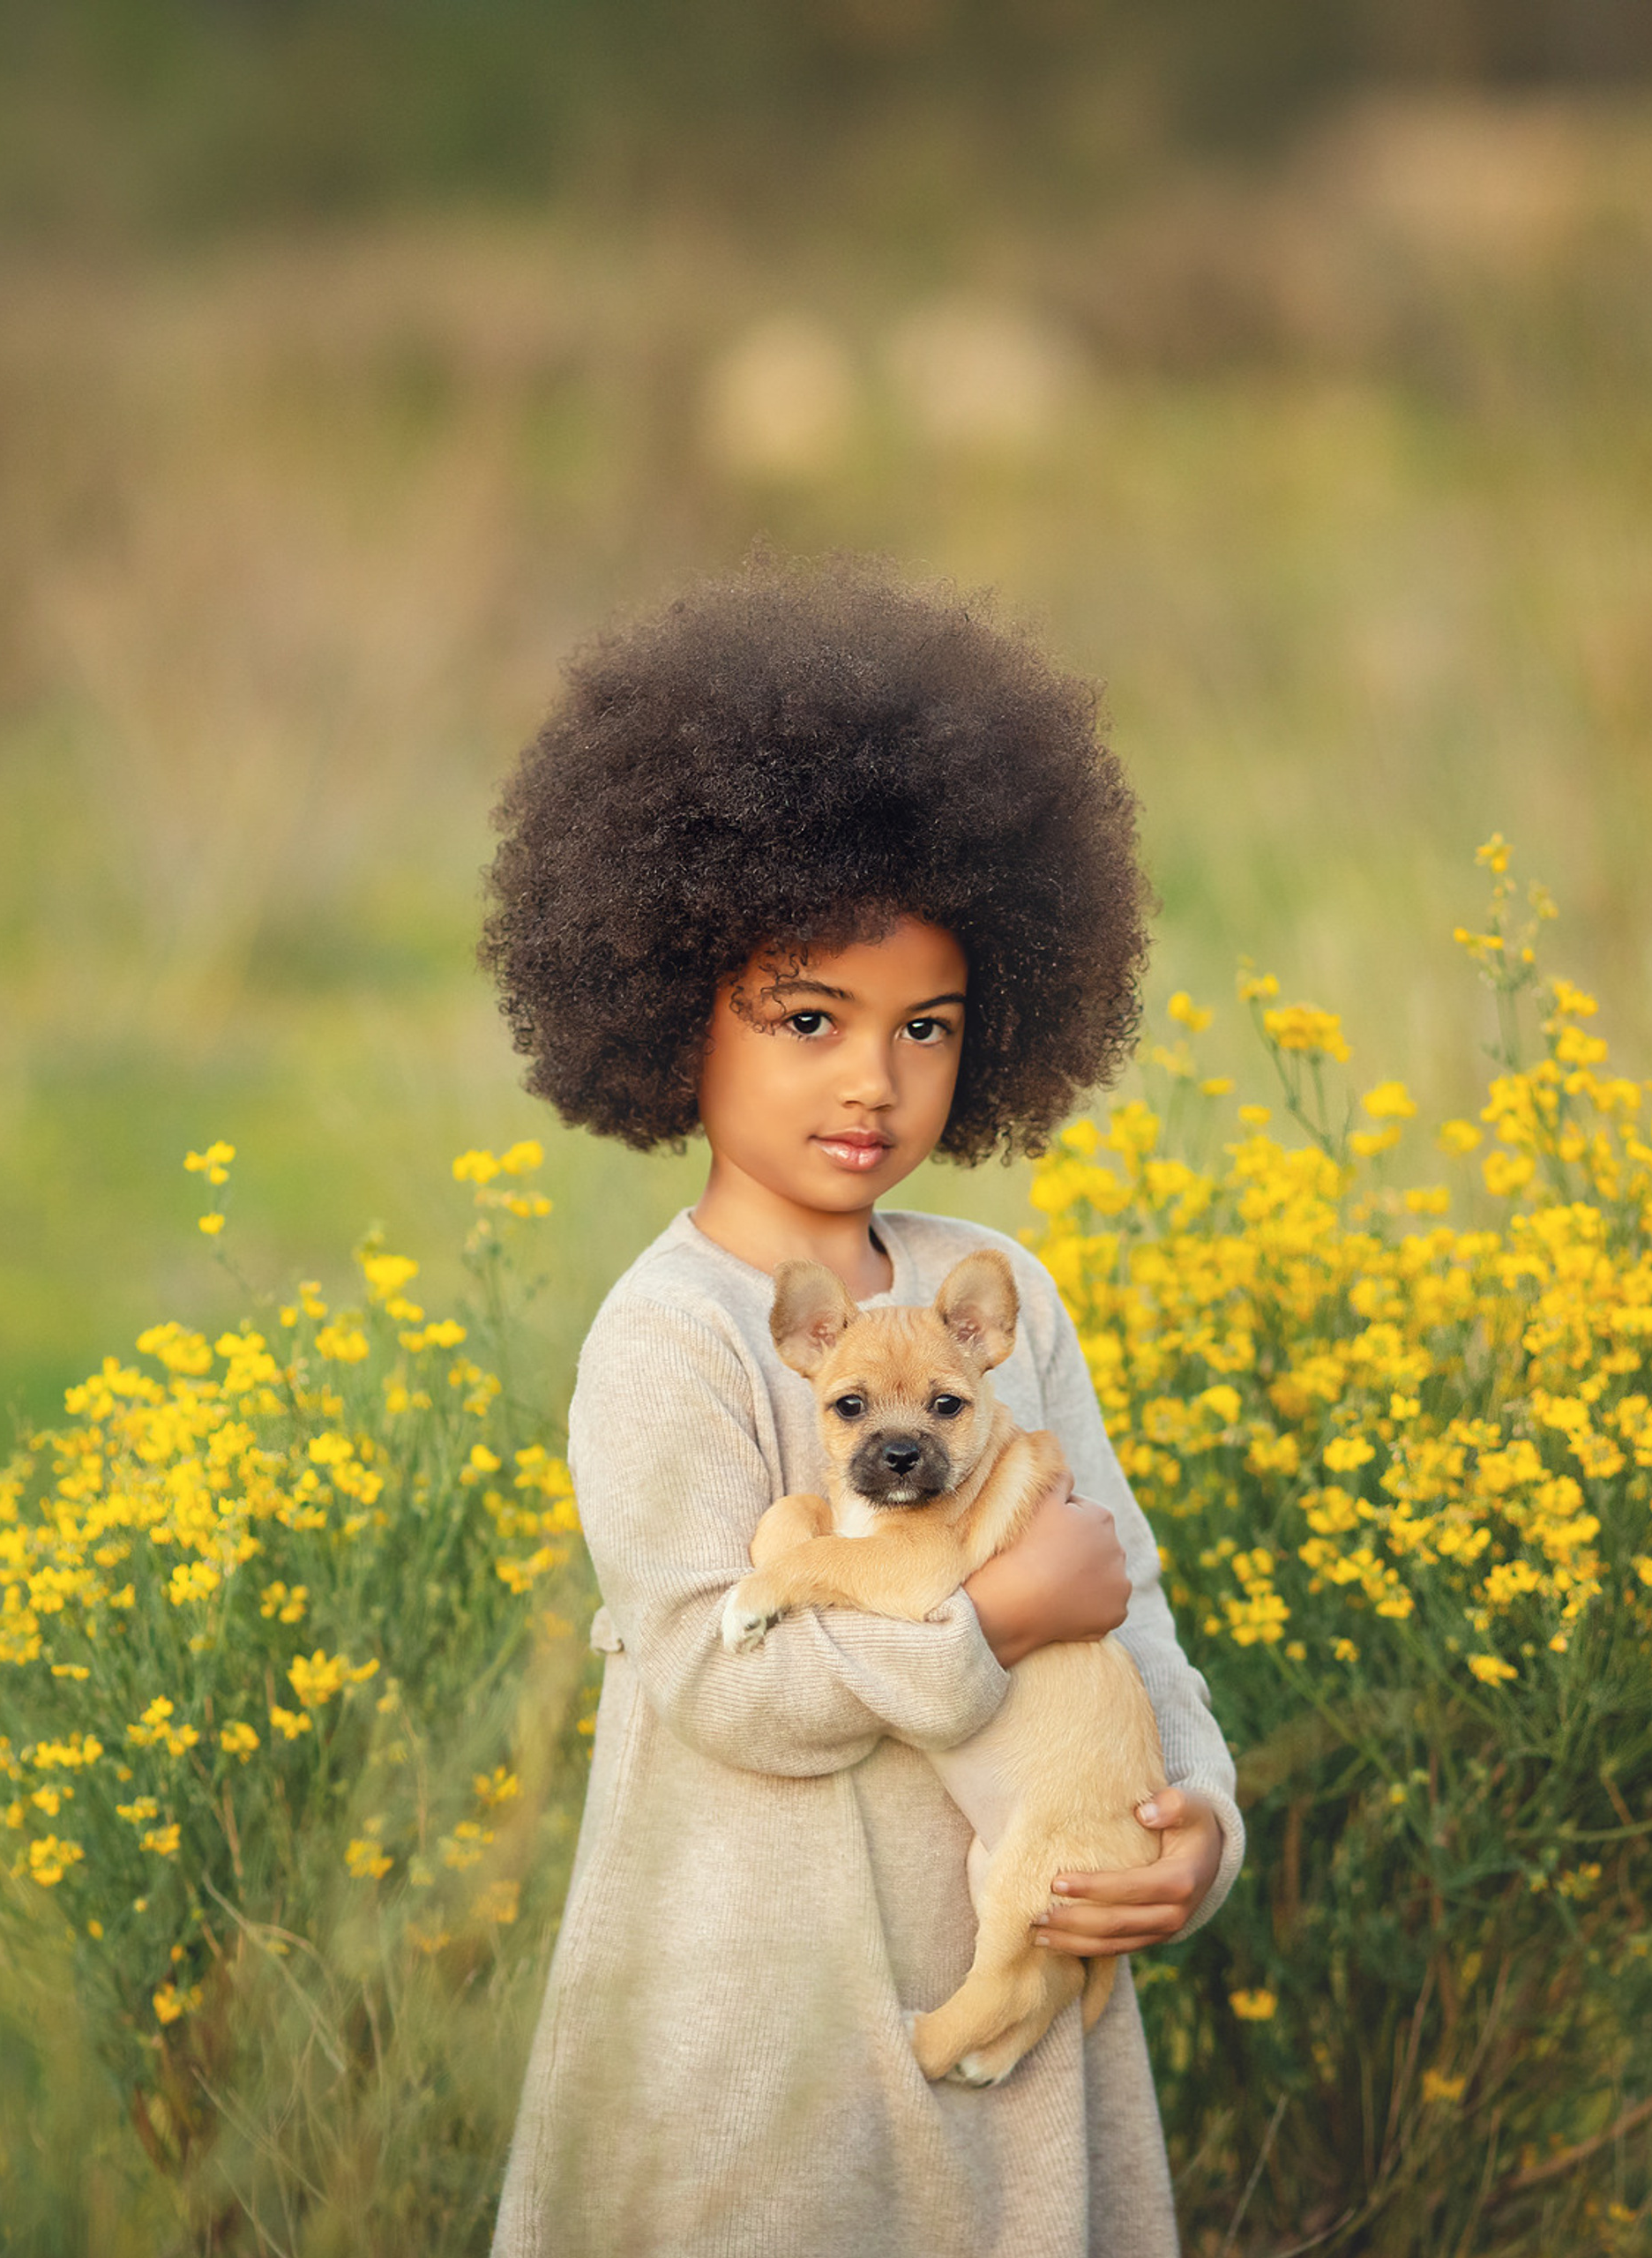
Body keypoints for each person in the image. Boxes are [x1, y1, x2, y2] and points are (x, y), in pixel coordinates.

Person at [480, 561, 1245, 2258]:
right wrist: (987, 1612)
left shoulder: (995, 1287)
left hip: (1014, 1972)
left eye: (929, 1028)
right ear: (674, 996)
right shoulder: (664, 1341)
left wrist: (1198, 1823)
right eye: (810, 1018)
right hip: (762, 2021)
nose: (872, 1081)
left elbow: (1133, 1599)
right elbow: (717, 1687)